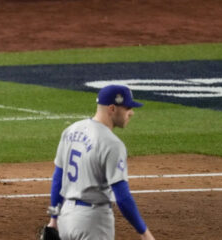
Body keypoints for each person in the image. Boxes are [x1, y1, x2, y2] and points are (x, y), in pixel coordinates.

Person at [45, 85, 155, 240]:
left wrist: (53, 219)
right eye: (127, 108)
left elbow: (58, 179)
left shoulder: (71, 130)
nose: (131, 113)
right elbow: (122, 197)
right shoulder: (112, 144)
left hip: (65, 218)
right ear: (112, 108)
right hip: (93, 221)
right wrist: (144, 232)